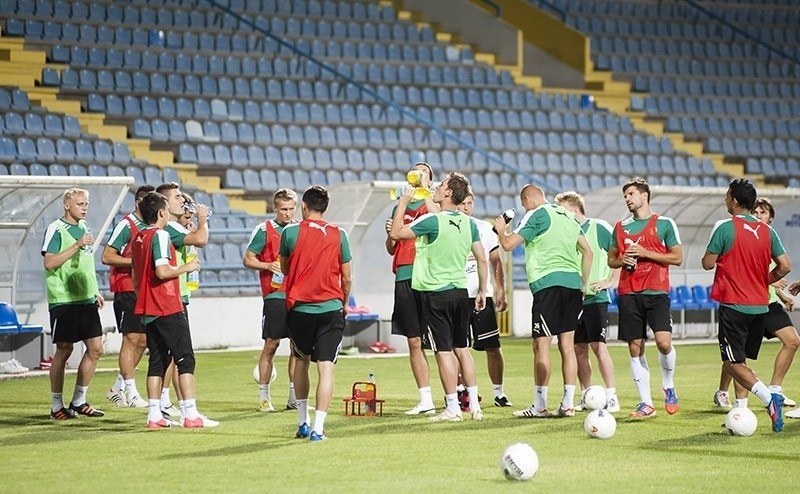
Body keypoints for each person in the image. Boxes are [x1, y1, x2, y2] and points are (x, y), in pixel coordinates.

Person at [390, 172, 488, 422]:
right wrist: (481, 289)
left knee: (443, 351)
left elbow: (398, 233)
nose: (436, 187)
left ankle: (453, 409)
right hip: (460, 292)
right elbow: (482, 258)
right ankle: (475, 407)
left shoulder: (432, 221)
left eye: (441, 185)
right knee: (462, 349)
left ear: (447, 194)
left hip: (436, 294)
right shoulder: (469, 223)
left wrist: (403, 202)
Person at [701, 179, 791, 432]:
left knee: (733, 363)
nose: (725, 200)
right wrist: (766, 279)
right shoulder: (768, 231)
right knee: (740, 361)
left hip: (733, 305)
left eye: (727, 196)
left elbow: (707, 263)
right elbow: (785, 266)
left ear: (735, 201)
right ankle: (740, 410)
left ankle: (769, 399)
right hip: (760, 306)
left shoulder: (725, 228)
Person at [495, 185, 592, 418]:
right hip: (572, 286)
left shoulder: (537, 214)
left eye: (523, 203)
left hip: (548, 286)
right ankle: (568, 403)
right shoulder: (568, 217)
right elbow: (587, 252)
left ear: (528, 199)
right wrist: (584, 285)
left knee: (541, 345)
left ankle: (540, 405)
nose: (524, 208)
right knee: (567, 346)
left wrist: (501, 230)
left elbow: (508, 245)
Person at [131, 191, 217, 428]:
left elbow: (135, 277)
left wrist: (144, 298)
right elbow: (162, 271)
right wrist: (185, 266)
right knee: (185, 358)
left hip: (148, 307)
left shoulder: (139, 237)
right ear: (161, 213)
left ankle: (154, 416)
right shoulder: (159, 235)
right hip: (167, 304)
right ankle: (191, 414)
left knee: (157, 360)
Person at [712, 197, 799, 411]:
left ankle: (774, 390)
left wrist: (782, 295)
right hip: (745, 301)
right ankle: (727, 394)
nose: (759, 215)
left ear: (771, 218)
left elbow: (773, 274)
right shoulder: (740, 234)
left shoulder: (769, 238)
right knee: (736, 356)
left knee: (792, 341)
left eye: (763, 212)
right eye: (756, 211)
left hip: (767, 303)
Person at [280, 185, 352, 441]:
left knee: (300, 362)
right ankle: (318, 429)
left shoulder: (290, 232)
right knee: (326, 368)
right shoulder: (339, 234)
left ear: (304, 206)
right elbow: (346, 277)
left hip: (300, 308)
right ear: (326, 208)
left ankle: (302, 421)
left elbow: (285, 268)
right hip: (330, 308)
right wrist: (344, 301)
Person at [607, 177, 682, 418]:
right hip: (628, 292)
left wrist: (645, 253)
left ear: (644, 196)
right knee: (634, 347)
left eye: (631, 194)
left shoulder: (664, 224)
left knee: (663, 343)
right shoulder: (620, 227)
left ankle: (668, 385)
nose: (627, 199)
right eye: (625, 196)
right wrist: (623, 260)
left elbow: (677, 257)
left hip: (657, 291)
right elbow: (612, 259)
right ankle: (646, 403)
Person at [555, 191, 621, 413]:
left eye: (561, 209)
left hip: (596, 297)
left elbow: (618, 254)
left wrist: (611, 281)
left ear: (573, 209)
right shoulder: (567, 231)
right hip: (575, 298)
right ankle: (587, 395)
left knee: (599, 347)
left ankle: (612, 397)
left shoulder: (598, 227)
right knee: (578, 349)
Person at [43, 188, 106, 419]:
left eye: (86, 203)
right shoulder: (56, 229)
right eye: (80, 203)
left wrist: (95, 290)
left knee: (96, 348)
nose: (85, 207)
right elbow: (49, 263)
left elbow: (86, 263)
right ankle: (56, 406)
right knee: (64, 349)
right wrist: (76, 245)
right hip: (64, 300)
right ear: (67, 205)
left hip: (86, 299)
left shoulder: (85, 228)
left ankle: (79, 401)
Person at [384, 162, 439, 415]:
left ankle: (456, 395)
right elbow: (391, 246)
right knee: (414, 341)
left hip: (430, 275)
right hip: (405, 274)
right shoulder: (400, 205)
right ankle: (425, 399)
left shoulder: (434, 204)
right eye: (416, 170)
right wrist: (391, 231)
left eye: (424, 171)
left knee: (442, 341)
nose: (419, 174)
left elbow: (436, 220)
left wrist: (425, 191)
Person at [243, 188, 300, 412]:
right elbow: (248, 259)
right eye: (283, 209)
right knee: (272, 344)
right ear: (275, 208)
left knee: (298, 348)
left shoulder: (300, 230)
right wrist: (267, 265)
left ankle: (294, 397)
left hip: (298, 295)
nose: (288, 213)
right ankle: (264, 397)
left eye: (291, 209)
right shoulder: (263, 230)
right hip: (275, 294)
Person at [456, 191, 512, 407]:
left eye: (470, 203)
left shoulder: (484, 228)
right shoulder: (448, 226)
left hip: (482, 295)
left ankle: (498, 393)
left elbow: (496, 262)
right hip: (458, 294)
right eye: (462, 203)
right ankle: (461, 392)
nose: (466, 207)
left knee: (492, 346)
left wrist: (501, 290)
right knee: (458, 347)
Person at [103, 185, 154, 409]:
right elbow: (107, 255)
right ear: (139, 202)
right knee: (131, 339)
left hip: (142, 289)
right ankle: (132, 393)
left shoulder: (150, 226)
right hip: (125, 288)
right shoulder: (127, 224)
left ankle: (118, 387)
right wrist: (135, 262)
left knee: (143, 340)